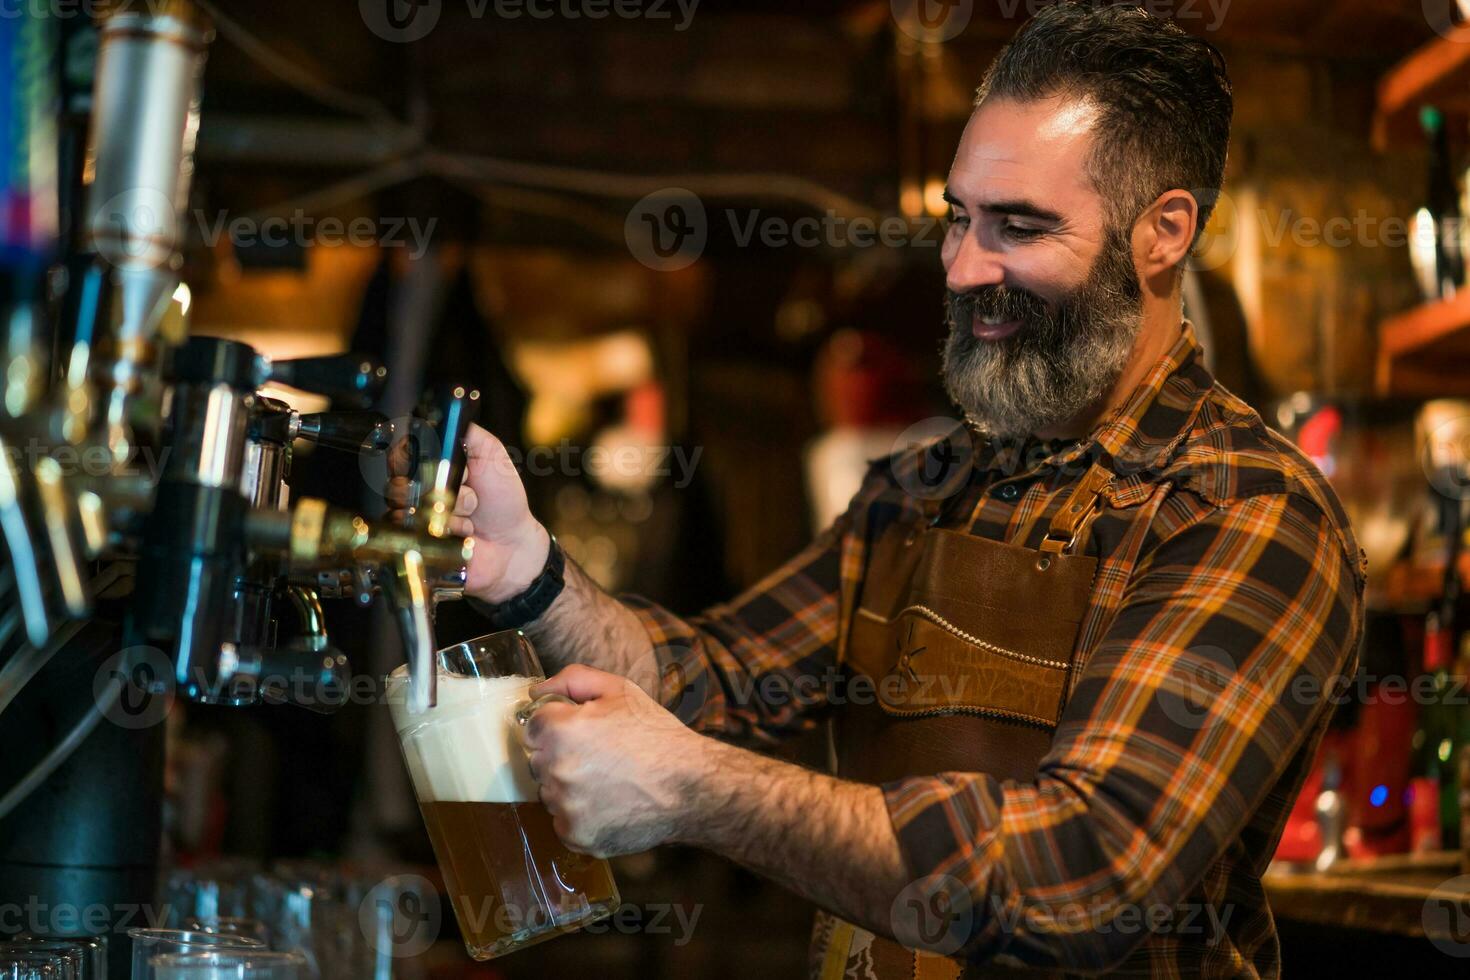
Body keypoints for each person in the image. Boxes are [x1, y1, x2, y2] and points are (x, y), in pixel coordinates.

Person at [395, 4, 1364, 975]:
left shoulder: (1246, 510)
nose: (963, 267)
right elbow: (719, 681)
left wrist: (694, 789)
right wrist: (531, 569)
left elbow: (1084, 874)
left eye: (1018, 227)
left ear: (1163, 233)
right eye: (959, 219)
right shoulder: (926, 487)